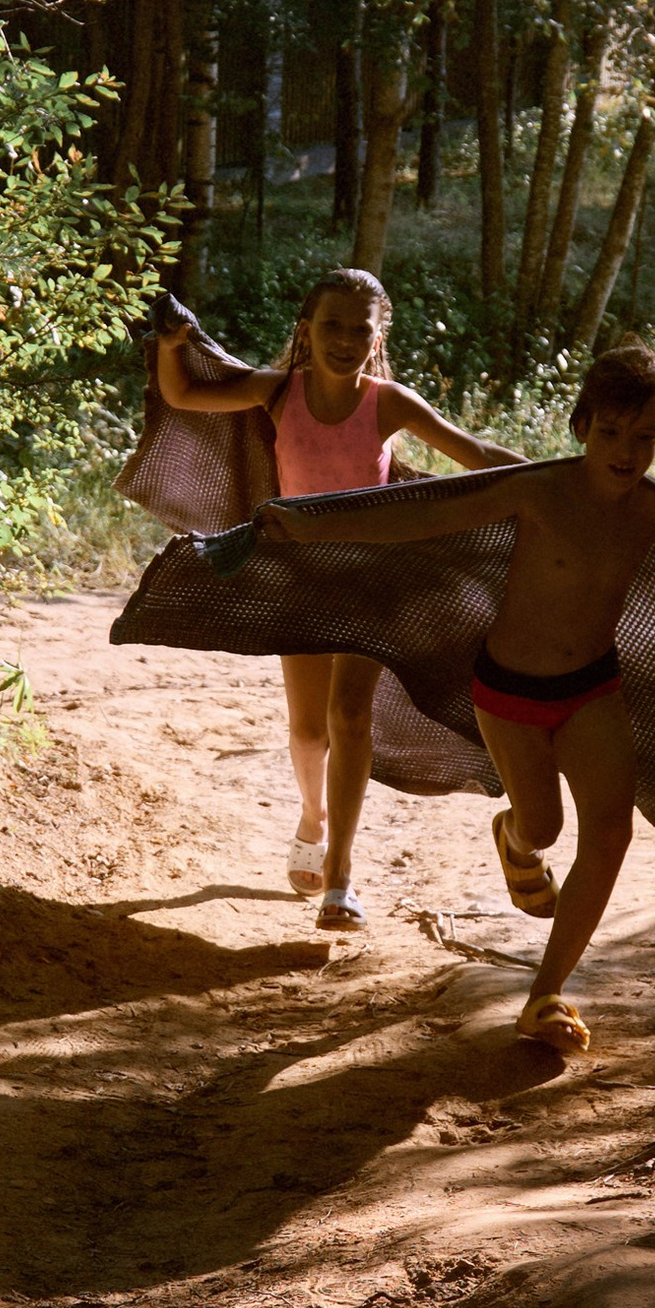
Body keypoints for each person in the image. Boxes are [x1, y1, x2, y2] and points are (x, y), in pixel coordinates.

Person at [255, 342, 655, 1050]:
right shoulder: (540, 489)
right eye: (610, 433)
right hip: (507, 694)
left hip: (591, 690)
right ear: (582, 426)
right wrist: (310, 524)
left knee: (609, 833)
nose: (627, 452)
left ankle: (545, 995)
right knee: (542, 829)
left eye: (645, 437)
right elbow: (417, 515)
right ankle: (513, 836)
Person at [154, 267, 523, 931]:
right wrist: (170, 342)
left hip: (370, 584)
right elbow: (181, 392)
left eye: (360, 328)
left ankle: (342, 877)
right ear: (305, 332)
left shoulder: (389, 403)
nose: (346, 339)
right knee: (307, 730)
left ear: (378, 337)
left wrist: (551, 479)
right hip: (301, 583)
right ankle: (313, 816)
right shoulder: (277, 394)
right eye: (332, 325)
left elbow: (473, 453)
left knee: (351, 718)